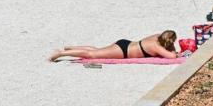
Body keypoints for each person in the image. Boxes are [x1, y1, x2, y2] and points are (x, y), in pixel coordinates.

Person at [49, 30, 178, 62]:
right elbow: (172, 57)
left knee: (98, 50)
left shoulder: (156, 36)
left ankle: (72, 48)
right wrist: (173, 49)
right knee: (92, 55)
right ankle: (61, 53)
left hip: (125, 44)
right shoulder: (156, 47)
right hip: (123, 51)